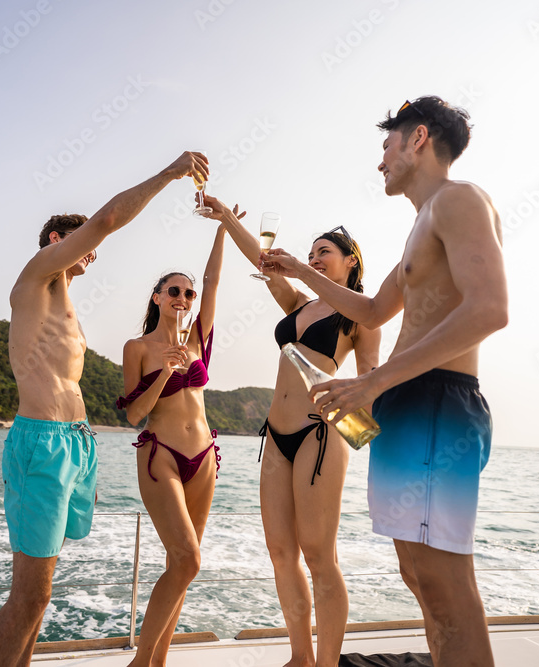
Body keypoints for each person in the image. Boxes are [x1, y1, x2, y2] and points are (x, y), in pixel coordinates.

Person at [263, 96, 508, 667]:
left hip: (434, 402)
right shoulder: (421, 226)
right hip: (406, 406)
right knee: (418, 578)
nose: (380, 160)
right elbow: (373, 311)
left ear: (417, 138)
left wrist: (372, 384)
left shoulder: (460, 200)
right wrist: (301, 271)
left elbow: (491, 308)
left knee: (445, 587)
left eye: (386, 144)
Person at [0, 151, 208, 667]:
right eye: (86, 246)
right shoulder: (36, 277)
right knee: (30, 595)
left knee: (43, 595)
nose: (95, 253)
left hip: (71, 447)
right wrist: (170, 173)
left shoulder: (67, 305)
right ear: (60, 241)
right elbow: (106, 221)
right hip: (40, 442)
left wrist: (83, 452)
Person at [205, 195, 381, 667]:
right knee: (281, 551)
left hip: (318, 437)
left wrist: (357, 398)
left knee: (319, 554)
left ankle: (327, 664)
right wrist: (224, 216)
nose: (315, 256)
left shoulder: (361, 314)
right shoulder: (299, 303)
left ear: (350, 262)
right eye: (313, 250)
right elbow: (263, 260)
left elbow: (371, 382)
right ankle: (300, 656)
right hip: (275, 437)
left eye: (326, 251)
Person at [115, 220, 229, 666]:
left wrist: (223, 226)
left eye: (188, 292)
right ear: (157, 297)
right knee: (189, 561)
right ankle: (140, 663)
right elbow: (132, 414)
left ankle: (158, 661)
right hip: (160, 455)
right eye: (173, 291)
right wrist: (166, 370)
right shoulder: (137, 347)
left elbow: (215, 278)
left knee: (180, 568)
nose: (183, 298)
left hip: (204, 459)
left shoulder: (200, 335)